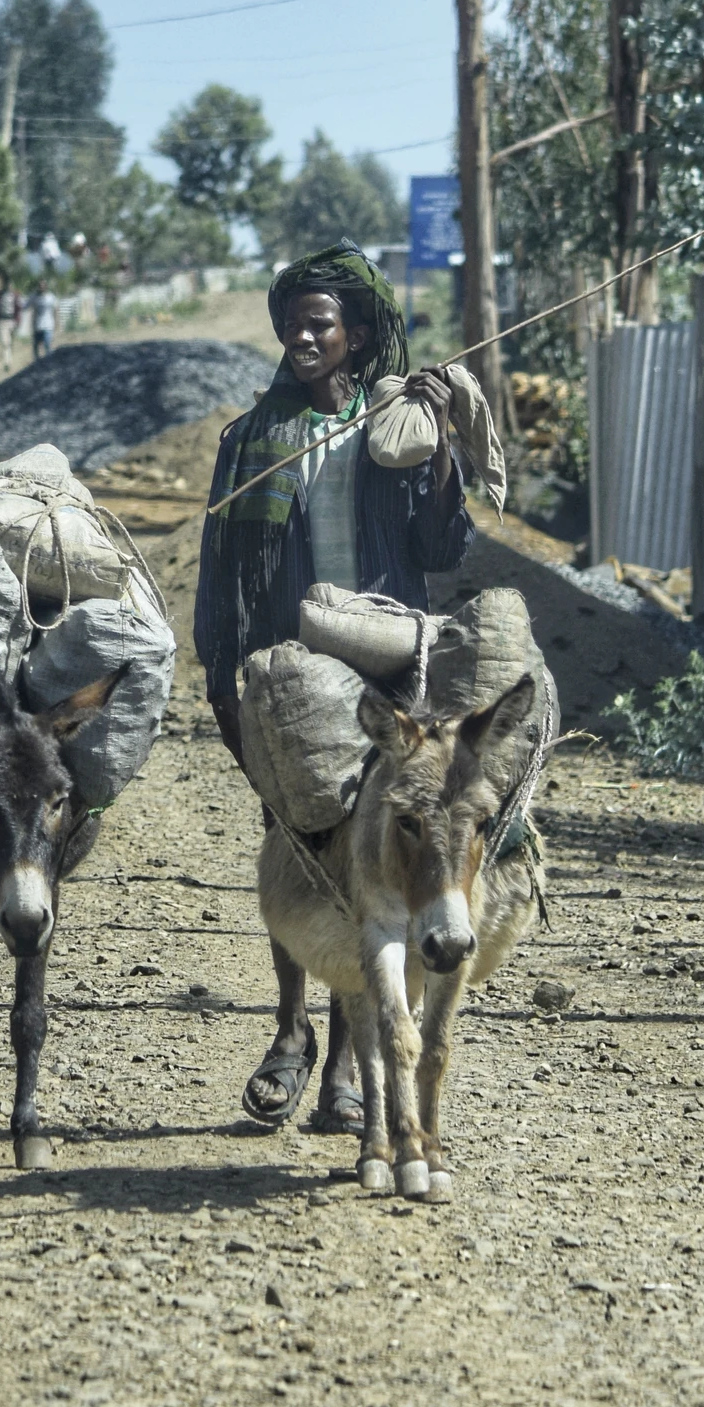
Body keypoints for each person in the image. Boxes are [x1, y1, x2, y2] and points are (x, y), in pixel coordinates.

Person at [193, 239, 472, 1135]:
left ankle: (345, 1071)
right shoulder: (251, 440)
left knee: (375, 854)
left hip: (387, 660)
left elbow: (440, 550)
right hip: (288, 669)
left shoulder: (394, 430)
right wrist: (222, 675)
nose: (301, 336)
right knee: (295, 841)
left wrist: (439, 453)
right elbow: (220, 566)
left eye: (318, 325)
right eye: (292, 323)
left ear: (355, 336)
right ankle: (288, 1031)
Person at [0, 277, 20, 372]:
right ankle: (6, 363)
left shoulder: (15, 295)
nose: (8, 286)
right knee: (5, 343)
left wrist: (17, 321)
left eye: (10, 284)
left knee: (11, 343)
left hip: (11, 321)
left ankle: (9, 359)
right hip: (2, 321)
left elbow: (18, 309)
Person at [31, 279, 58, 360]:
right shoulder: (36, 298)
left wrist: (57, 321)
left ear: (46, 287)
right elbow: (34, 311)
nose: (41, 287)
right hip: (38, 326)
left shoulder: (51, 297)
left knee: (47, 344)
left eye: (43, 286)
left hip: (48, 325)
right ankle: (37, 361)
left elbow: (56, 309)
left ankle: (49, 361)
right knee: (36, 345)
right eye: (40, 286)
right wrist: (33, 323)